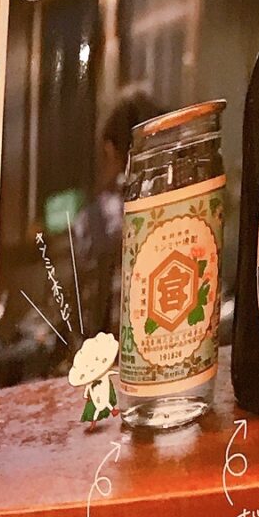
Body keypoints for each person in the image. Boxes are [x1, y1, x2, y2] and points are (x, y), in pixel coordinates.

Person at [69, 84, 157, 335]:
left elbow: (81, 308)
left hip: (113, 347)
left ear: (109, 149)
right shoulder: (180, 203)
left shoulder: (93, 220)